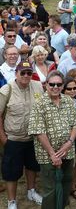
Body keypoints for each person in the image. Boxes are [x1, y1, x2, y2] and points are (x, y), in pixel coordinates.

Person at [28, 71, 76, 209]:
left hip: (67, 152)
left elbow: (75, 124)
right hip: (47, 155)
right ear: (46, 85)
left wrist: (69, 143)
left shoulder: (68, 101)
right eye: (52, 84)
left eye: (58, 84)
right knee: (50, 189)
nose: (55, 87)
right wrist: (53, 154)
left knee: (66, 183)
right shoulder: (39, 104)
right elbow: (39, 131)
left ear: (63, 85)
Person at [0, 61, 43, 209]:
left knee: (32, 166)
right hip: (13, 138)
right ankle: (11, 200)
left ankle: (31, 191)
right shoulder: (6, 90)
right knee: (11, 171)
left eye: (29, 73)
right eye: (22, 72)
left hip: (33, 137)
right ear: (16, 73)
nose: (26, 76)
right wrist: (3, 138)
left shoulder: (38, 86)